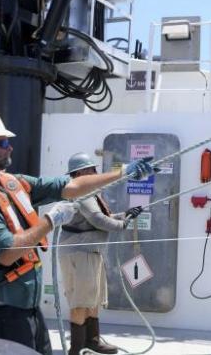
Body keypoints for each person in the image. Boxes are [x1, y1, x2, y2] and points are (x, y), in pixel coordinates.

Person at [0, 105, 155, 354]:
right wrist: (50, 220)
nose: (10, 146)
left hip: (24, 305)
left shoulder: (12, 183)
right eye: (2, 142)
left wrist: (123, 173)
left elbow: (69, 185)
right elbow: (6, 252)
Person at [58, 152, 144, 355]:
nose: (95, 173)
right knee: (81, 302)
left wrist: (125, 214)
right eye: (90, 170)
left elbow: (100, 217)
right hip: (79, 254)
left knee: (94, 299)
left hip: (91, 253)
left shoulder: (90, 193)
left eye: (94, 169)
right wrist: (122, 224)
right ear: (79, 173)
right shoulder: (81, 192)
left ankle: (92, 341)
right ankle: (77, 348)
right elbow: (98, 220)